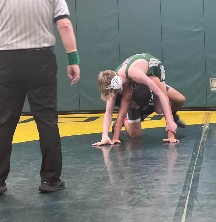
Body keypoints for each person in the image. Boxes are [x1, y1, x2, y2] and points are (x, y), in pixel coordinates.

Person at [0, 0, 80, 195]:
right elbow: (64, 24)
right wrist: (73, 60)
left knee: (4, 121)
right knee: (46, 119)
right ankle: (50, 180)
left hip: (6, 60)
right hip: (40, 60)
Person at [92, 53, 185, 147]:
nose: (114, 95)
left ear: (116, 84)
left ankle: (161, 112)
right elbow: (108, 112)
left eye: (114, 92)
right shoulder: (120, 85)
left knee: (174, 102)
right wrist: (105, 136)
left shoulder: (137, 74)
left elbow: (162, 95)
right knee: (135, 135)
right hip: (137, 87)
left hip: (151, 80)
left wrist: (170, 130)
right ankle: (128, 119)